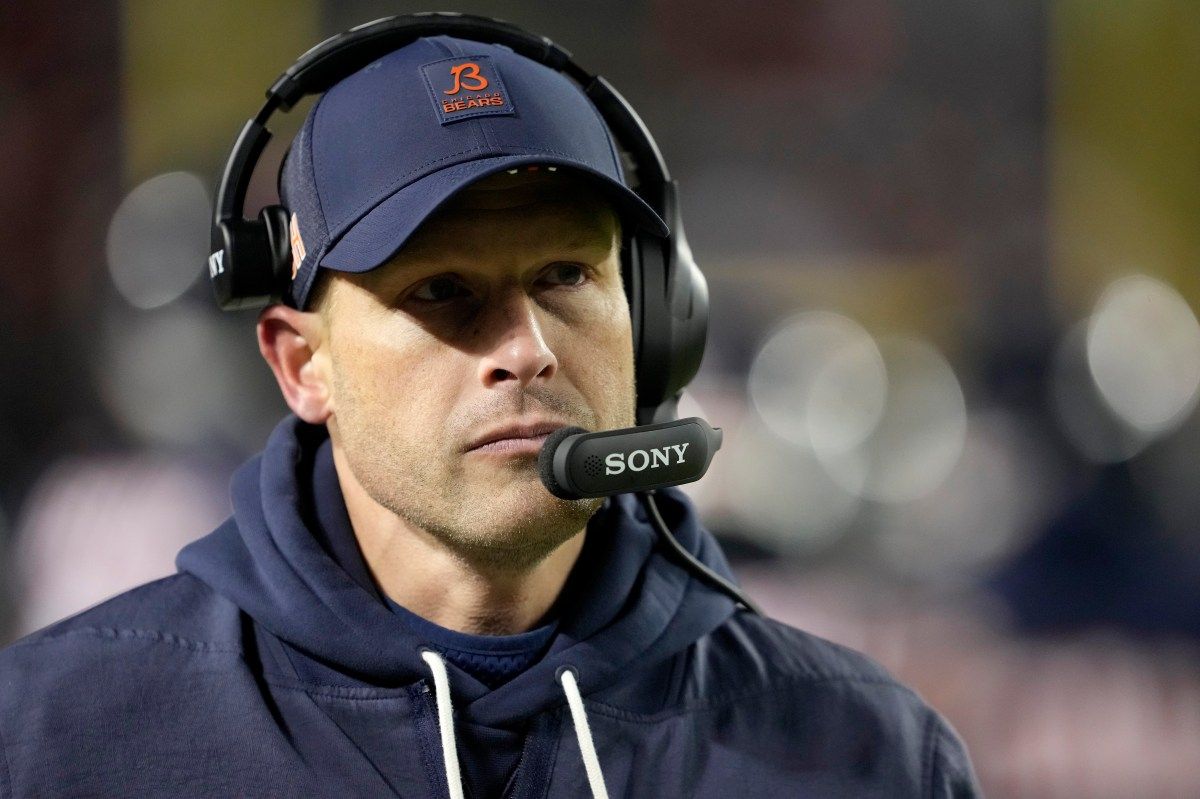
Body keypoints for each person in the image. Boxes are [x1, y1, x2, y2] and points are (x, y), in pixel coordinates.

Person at [0, 15, 980, 798]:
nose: (526, 349)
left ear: (656, 322)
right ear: (302, 367)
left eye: (565, 276)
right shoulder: (56, 740)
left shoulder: (869, 755)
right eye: (442, 292)